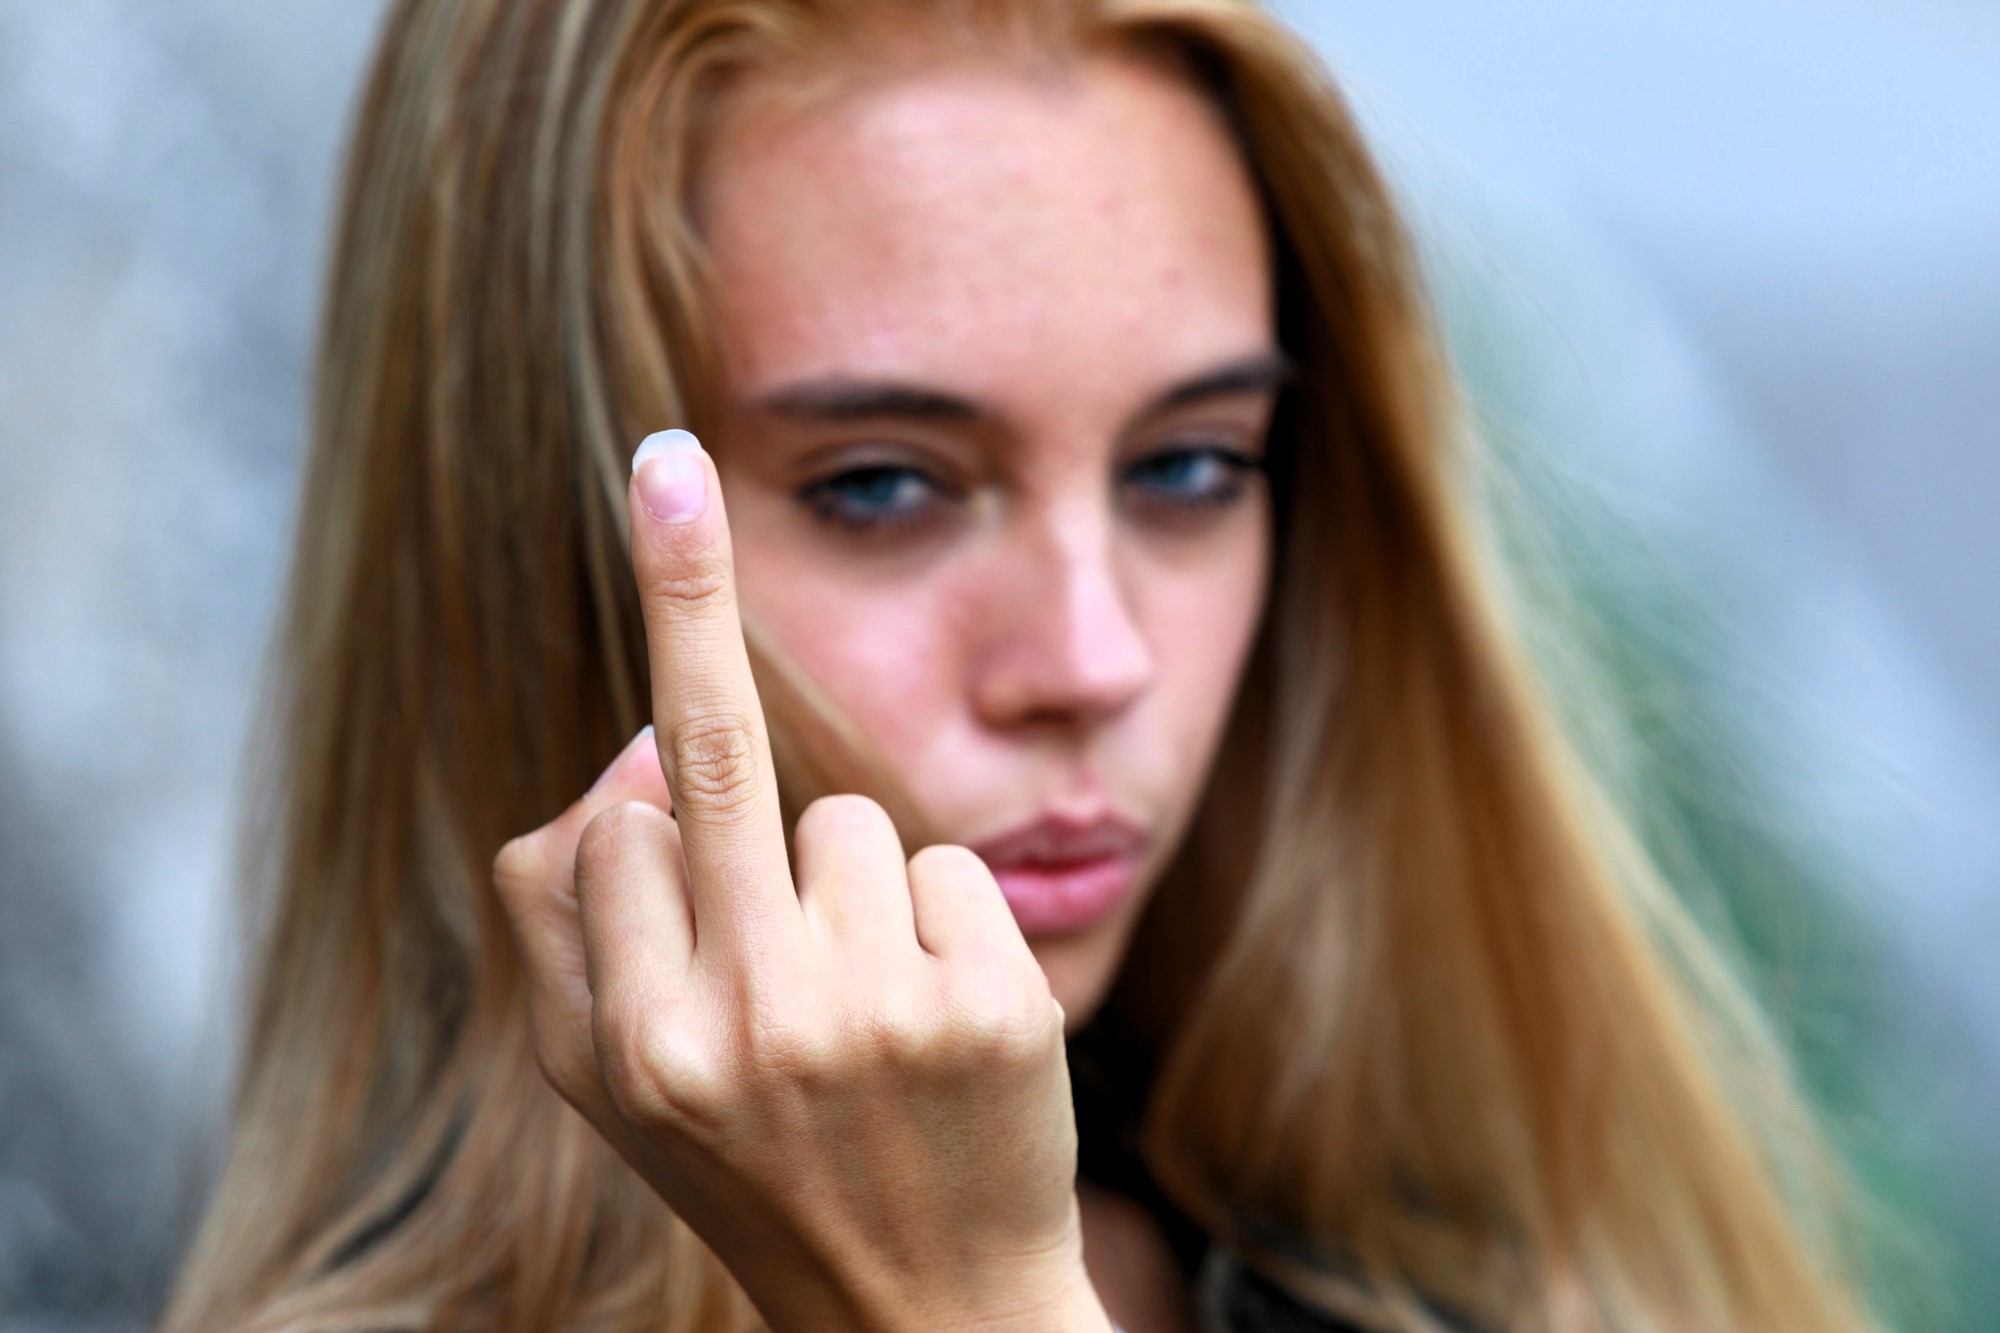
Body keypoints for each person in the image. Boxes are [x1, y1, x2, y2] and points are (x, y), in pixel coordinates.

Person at [161, 0, 1882, 1329]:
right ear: (537, 549)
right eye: (885, 485)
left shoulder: (1491, 1293)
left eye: (1191, 465)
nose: (1093, 656)